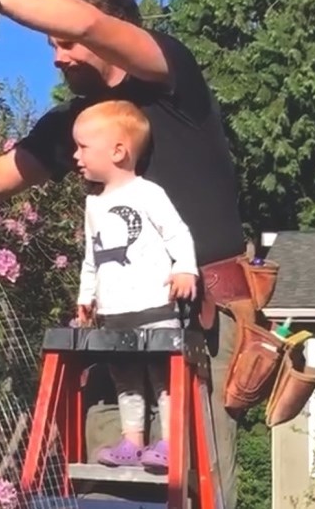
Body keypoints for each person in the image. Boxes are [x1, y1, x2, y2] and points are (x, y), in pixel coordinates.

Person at [0, 0, 247, 508]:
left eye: (67, 44)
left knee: (194, 485)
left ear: (109, 33)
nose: (58, 57)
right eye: (52, 45)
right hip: (119, 327)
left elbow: (84, 18)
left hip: (203, 321)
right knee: (110, 484)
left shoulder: (169, 78)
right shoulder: (74, 125)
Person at [72, 99, 199, 472]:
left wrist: (185, 269)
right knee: (125, 379)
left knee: (164, 378)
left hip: (155, 306)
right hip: (114, 313)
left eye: (82, 147)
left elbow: (177, 232)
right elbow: (91, 255)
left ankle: (170, 442)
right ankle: (132, 441)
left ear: (118, 151)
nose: (76, 155)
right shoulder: (93, 204)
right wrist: (86, 296)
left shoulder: (148, 193)